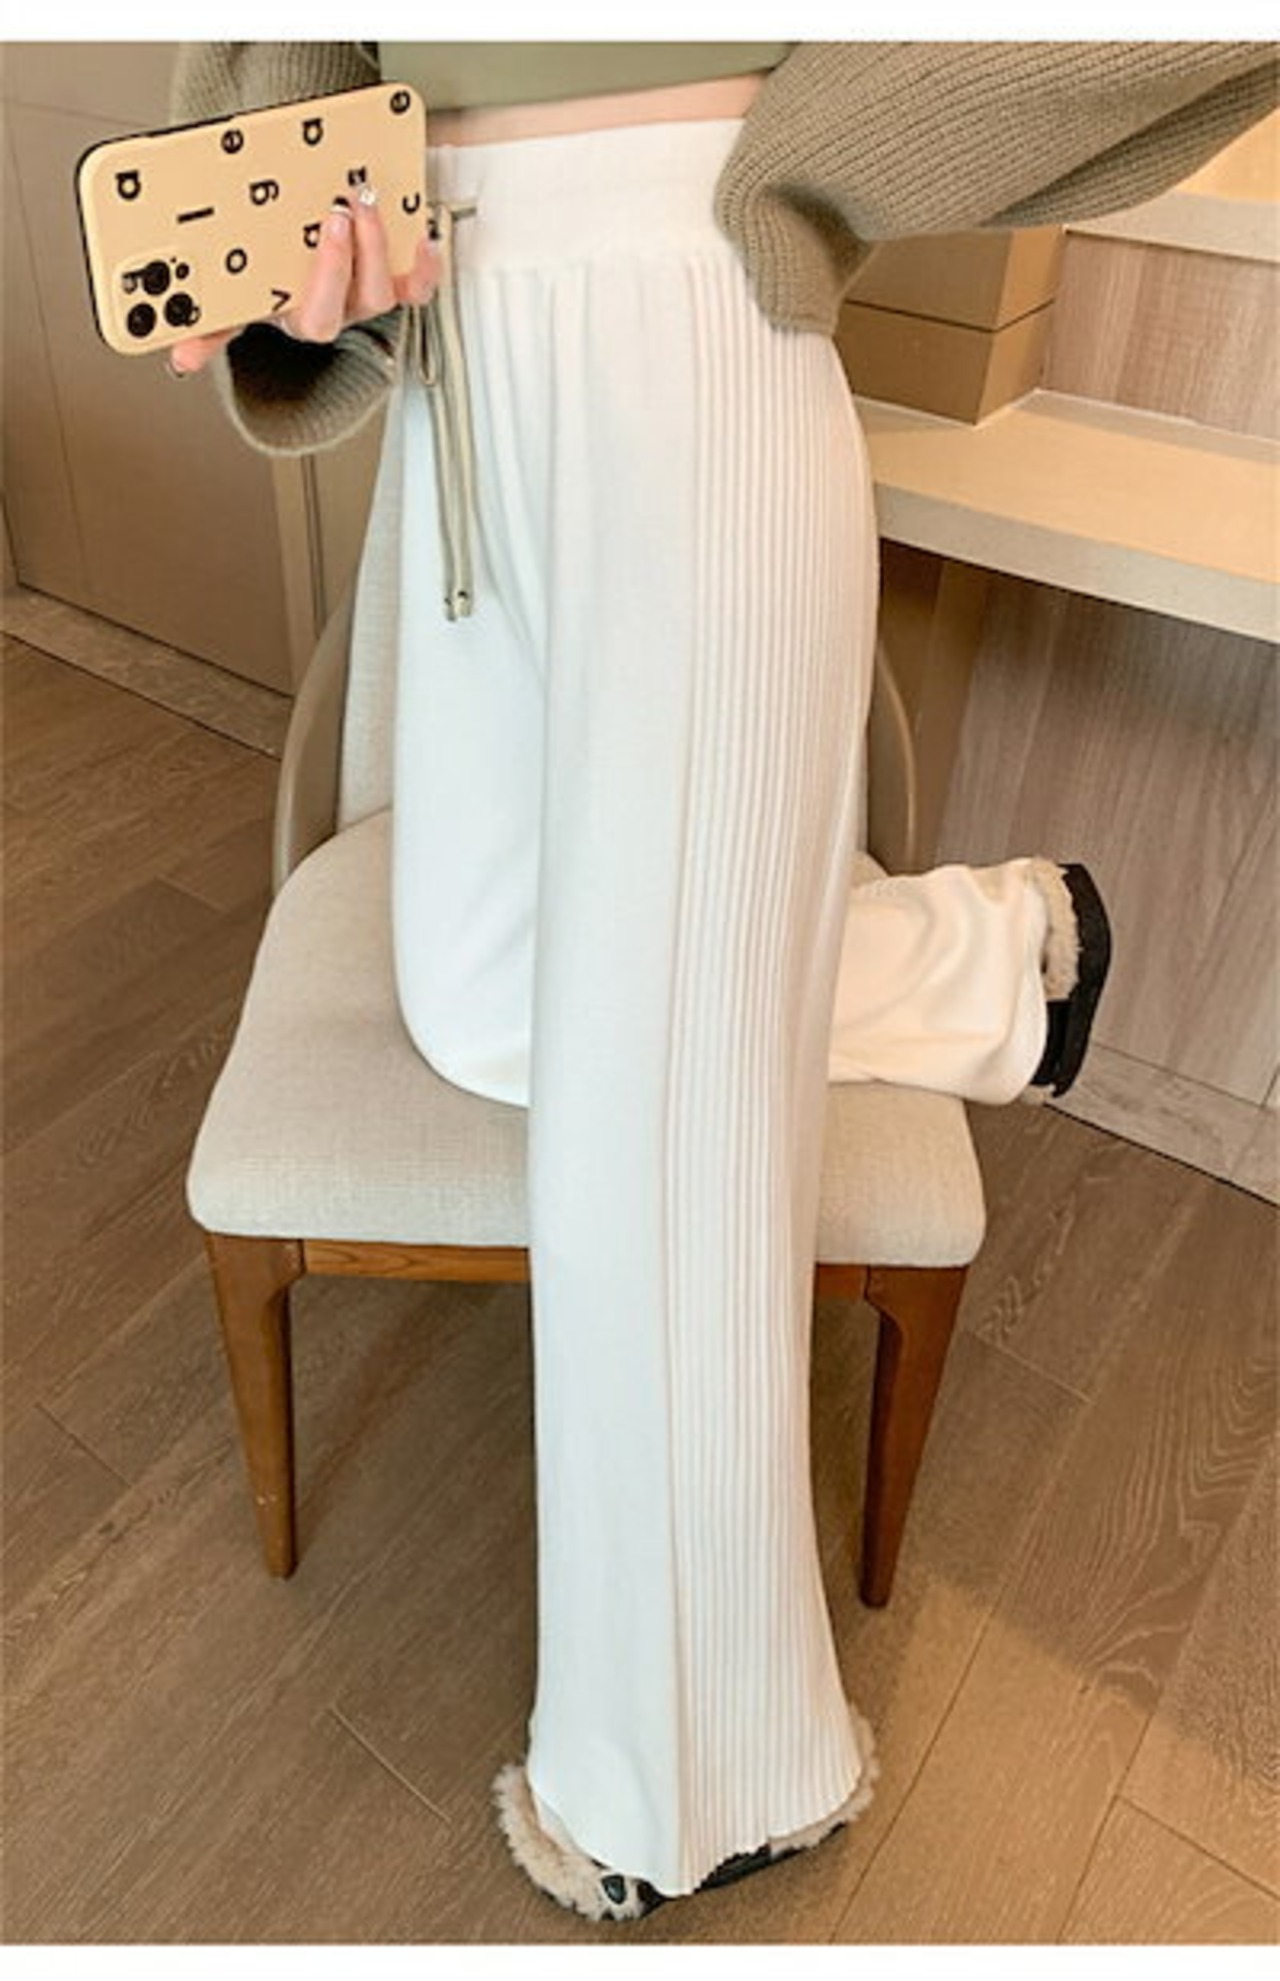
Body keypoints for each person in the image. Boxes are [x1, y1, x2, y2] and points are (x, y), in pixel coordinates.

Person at [166, 40, 1276, 1922]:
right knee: (483, 991)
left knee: (650, 1165)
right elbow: (287, 68)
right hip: (458, 364)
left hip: (699, 323)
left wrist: (818, 146)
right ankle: (990, 961)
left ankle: (694, 1779)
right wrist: (296, 241)